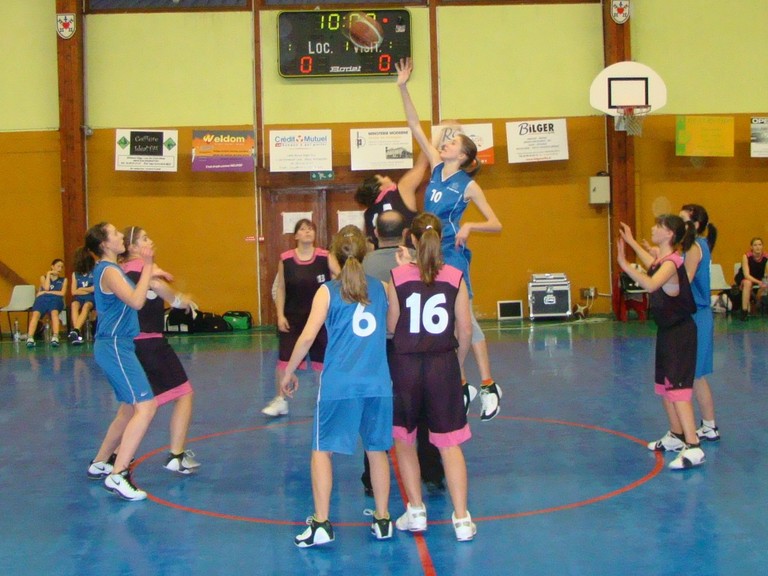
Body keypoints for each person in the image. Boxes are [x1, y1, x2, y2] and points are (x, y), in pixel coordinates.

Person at [395, 57, 503, 421]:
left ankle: (487, 384)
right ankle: (461, 383)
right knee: (446, 322)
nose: (445, 142)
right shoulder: (436, 166)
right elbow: (414, 124)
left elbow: (496, 223)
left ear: (465, 154)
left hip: (453, 254)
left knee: (464, 319)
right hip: (428, 253)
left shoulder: (468, 185)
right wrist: (403, 87)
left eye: (452, 141)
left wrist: (471, 227)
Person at [279, 225, 392, 547]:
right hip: (377, 383)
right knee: (377, 451)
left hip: (340, 384)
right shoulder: (383, 288)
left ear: (333, 257)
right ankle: (383, 519)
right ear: (364, 254)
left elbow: (307, 337)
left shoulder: (327, 291)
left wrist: (289, 371)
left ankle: (321, 523)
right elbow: (392, 327)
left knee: (321, 451)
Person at [388, 212, 475, 541]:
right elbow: (465, 330)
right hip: (442, 365)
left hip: (406, 367)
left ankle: (416, 512)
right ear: (441, 239)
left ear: (411, 239)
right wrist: (457, 363)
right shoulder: (455, 276)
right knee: (450, 444)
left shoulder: (398, 277)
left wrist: (403, 270)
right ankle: (462, 519)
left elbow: (392, 326)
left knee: (405, 440)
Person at [360, 210, 446, 495]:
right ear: (406, 234)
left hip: (379, 345)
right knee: (422, 408)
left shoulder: (366, 263)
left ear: (376, 233)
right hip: (413, 345)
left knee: (377, 408)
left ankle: (371, 477)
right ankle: (432, 471)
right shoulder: (418, 261)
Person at [617, 216, 704, 469]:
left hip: (681, 333)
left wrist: (624, 264)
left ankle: (693, 446)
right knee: (665, 387)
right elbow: (651, 264)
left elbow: (651, 283)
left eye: (658, 226)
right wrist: (631, 241)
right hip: (667, 331)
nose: (653, 228)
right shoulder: (663, 261)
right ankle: (676, 435)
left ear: (669, 234)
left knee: (679, 390)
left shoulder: (673, 262)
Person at [84, 222, 161, 501]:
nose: (121, 237)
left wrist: (151, 274)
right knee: (147, 406)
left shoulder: (111, 269)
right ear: (105, 244)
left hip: (118, 345)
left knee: (129, 409)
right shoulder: (109, 271)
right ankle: (118, 474)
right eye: (115, 233)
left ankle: (100, 462)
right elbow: (137, 302)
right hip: (115, 345)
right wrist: (148, 264)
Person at [121, 225, 201, 474]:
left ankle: (112, 457)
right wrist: (181, 300)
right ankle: (176, 455)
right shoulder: (143, 270)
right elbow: (157, 286)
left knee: (133, 407)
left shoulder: (121, 271)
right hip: (151, 344)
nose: (150, 241)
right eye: (144, 238)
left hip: (131, 345)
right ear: (132, 247)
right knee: (184, 393)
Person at [262, 219, 330, 417]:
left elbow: (341, 279)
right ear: (296, 236)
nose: (307, 232)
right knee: (284, 361)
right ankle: (280, 400)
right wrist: (280, 314)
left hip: (320, 320)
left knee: (323, 362)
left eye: (310, 229)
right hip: (293, 318)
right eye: (303, 229)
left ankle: (325, 400)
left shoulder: (325, 257)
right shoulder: (286, 260)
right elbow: (281, 288)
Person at [679, 204, 720, 442]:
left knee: (696, 375)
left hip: (698, 315)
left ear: (694, 225)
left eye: (683, 220)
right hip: (695, 315)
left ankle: (708, 426)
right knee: (697, 375)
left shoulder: (695, 247)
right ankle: (709, 425)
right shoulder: (696, 245)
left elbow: (685, 280)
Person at [354, 152, 428, 250]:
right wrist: (431, 144)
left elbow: (367, 245)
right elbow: (421, 164)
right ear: (380, 188)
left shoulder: (368, 214)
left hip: (380, 256)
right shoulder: (401, 191)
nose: (387, 177)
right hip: (408, 253)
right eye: (382, 178)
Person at [26, 258, 68, 348]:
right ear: (52, 267)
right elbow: (46, 287)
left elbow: (62, 293)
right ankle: (30, 338)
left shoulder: (64, 280)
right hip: (42, 299)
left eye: (62, 267)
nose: (60, 269)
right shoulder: (43, 277)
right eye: (58, 266)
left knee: (54, 313)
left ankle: (55, 337)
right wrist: (48, 274)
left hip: (55, 299)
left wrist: (47, 292)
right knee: (35, 314)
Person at [734, 237, 768, 320]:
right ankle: (744, 311)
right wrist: (760, 282)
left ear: (762, 246)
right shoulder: (746, 256)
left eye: (759, 245)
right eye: (755, 245)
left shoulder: (766, 257)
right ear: (751, 247)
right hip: (744, 277)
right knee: (748, 283)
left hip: (758, 278)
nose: (758, 247)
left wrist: (764, 281)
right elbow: (746, 275)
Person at [68, 247, 96, 345]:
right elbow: (73, 292)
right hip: (79, 297)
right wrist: (87, 289)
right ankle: (77, 332)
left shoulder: (94, 271)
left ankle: (75, 330)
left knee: (86, 306)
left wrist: (82, 289)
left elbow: (94, 288)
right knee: (74, 305)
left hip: (92, 297)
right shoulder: (75, 274)